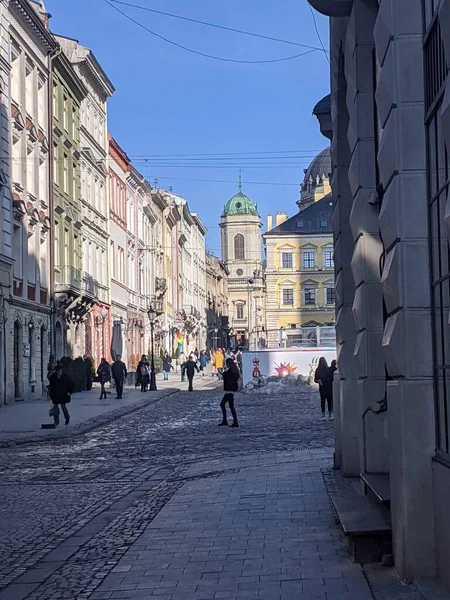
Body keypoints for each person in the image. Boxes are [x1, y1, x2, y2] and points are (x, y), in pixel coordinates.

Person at [219, 357, 240, 428]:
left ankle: (231, 421)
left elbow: (225, 375)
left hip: (229, 391)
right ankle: (232, 421)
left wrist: (223, 372)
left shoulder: (231, 371)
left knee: (225, 405)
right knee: (229, 406)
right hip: (231, 390)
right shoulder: (234, 370)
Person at [314, 357, 334, 421]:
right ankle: (330, 414)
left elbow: (315, 379)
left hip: (323, 387)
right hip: (328, 387)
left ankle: (324, 415)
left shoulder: (318, 370)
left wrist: (318, 381)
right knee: (329, 401)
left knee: (323, 401)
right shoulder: (328, 369)